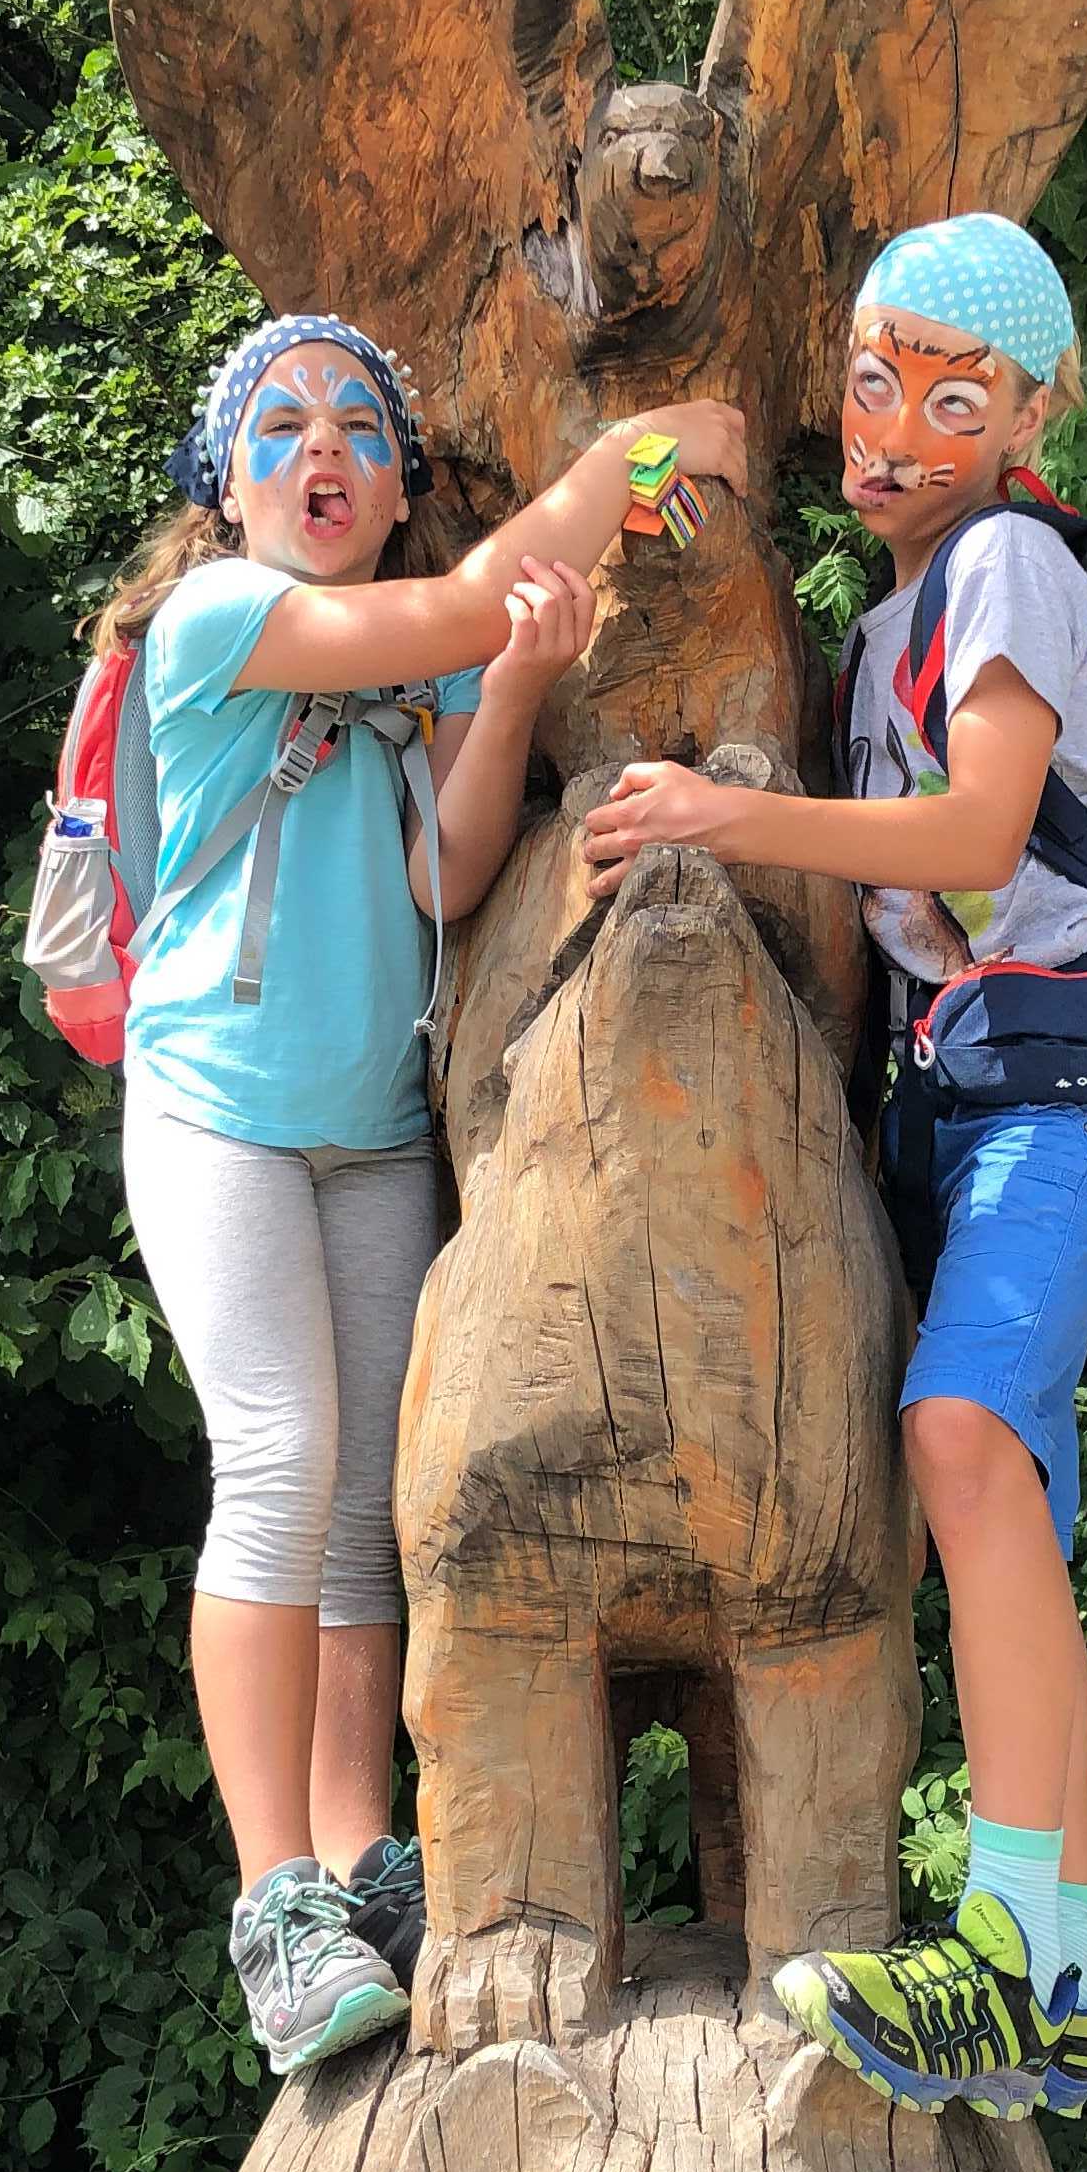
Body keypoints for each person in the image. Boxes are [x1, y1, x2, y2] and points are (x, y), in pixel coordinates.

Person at [101, 317, 747, 2075]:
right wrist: (644, 458)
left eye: (358, 429)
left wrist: (518, 686)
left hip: (373, 1128)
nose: (322, 449)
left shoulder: (416, 669)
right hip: (219, 1113)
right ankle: (274, 1905)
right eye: (280, 427)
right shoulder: (221, 621)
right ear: (224, 487)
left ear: (394, 488)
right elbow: (464, 607)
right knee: (279, 1459)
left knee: (369, 1494)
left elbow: (447, 868)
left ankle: (359, 1855)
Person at [581, 219, 1087, 2118]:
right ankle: (1056, 1987)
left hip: (1069, 1076)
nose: (897, 426)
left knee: (956, 1442)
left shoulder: (1003, 561)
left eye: (953, 395)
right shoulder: (894, 606)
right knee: (1017, 1532)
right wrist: (676, 449)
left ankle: (1002, 1956)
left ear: (1028, 416)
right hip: (980, 1089)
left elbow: (985, 823)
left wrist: (728, 809)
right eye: (871, 379)